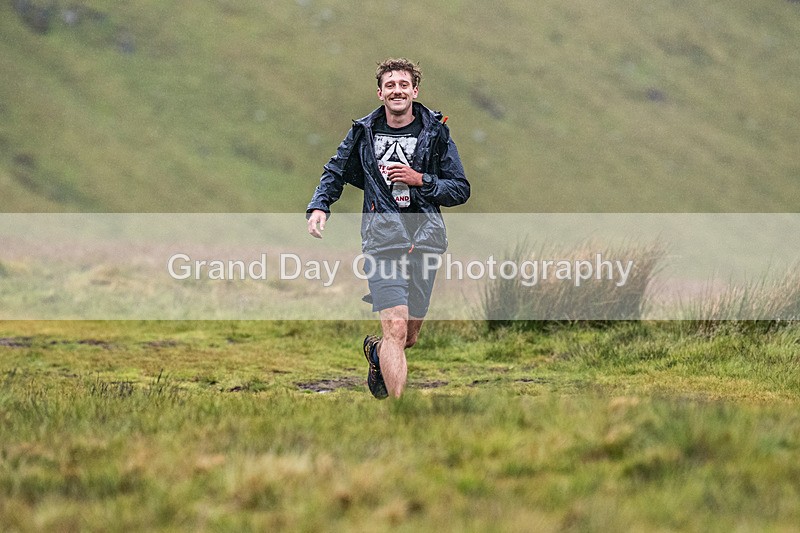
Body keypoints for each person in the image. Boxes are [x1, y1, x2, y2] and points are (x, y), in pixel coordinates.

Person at [306, 58, 470, 399]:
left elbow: (459, 189)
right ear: (380, 93)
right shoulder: (363, 132)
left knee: (408, 335)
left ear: (415, 91)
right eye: (390, 85)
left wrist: (420, 179)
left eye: (403, 85)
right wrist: (320, 206)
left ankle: (377, 352)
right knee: (395, 326)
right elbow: (335, 171)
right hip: (382, 240)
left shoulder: (435, 132)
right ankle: (399, 412)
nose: (397, 90)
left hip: (425, 240)